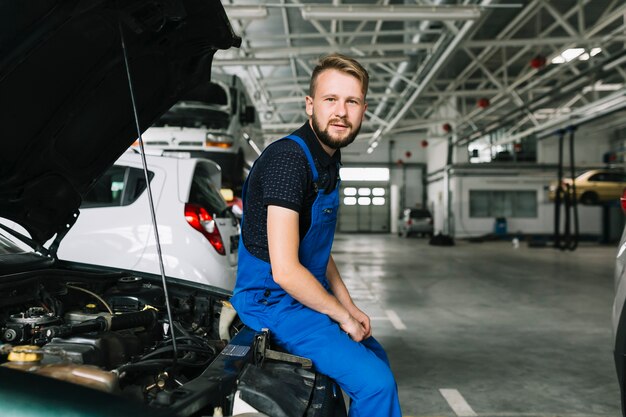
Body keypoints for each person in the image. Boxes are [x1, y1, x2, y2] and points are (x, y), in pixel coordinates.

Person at [231, 53, 402, 417]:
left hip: (303, 295)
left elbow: (316, 249)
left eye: (351, 101)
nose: (341, 111)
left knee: (376, 357)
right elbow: (286, 271)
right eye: (330, 99)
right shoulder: (289, 161)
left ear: (363, 110)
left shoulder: (327, 158)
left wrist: (350, 306)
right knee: (376, 383)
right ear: (311, 105)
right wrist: (341, 316)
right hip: (272, 302)